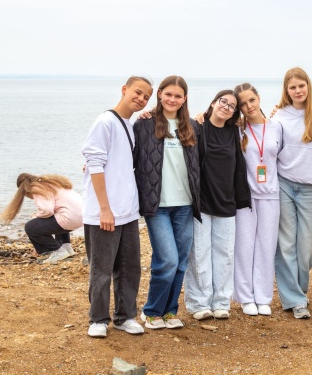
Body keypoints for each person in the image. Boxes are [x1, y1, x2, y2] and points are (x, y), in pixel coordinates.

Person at [82, 76, 153, 338]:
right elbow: (94, 162)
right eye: (137, 92)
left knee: (129, 267)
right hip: (105, 211)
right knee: (101, 269)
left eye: (146, 97)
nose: (141, 99)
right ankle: (98, 319)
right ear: (124, 89)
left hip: (127, 210)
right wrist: (104, 208)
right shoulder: (105, 121)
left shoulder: (129, 125)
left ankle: (124, 317)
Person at [133, 75, 200, 330]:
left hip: (185, 204)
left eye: (178, 96)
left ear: (185, 99)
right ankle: (151, 312)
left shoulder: (192, 126)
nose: (172, 99)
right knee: (167, 260)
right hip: (157, 205)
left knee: (180, 262)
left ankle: (170, 311)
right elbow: (129, 158)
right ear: (160, 94)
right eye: (168, 94)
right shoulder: (144, 124)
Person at [184, 90, 251, 320]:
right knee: (199, 254)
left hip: (226, 202)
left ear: (234, 113)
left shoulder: (234, 132)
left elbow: (260, 121)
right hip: (201, 202)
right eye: (223, 102)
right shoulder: (197, 127)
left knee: (225, 255)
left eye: (232, 106)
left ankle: (221, 302)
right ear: (213, 103)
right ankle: (199, 303)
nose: (226, 107)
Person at [271, 67, 312, 319]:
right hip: (284, 183)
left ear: (308, 86)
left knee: (307, 249)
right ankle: (295, 300)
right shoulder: (279, 116)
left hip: (311, 187)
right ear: (286, 90)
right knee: (286, 244)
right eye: (293, 87)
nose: (298, 91)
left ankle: (300, 291)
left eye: (301, 86)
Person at [232, 83, 283, 316]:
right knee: (244, 246)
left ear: (259, 98)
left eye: (251, 100)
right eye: (243, 104)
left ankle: (263, 297)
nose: (249, 106)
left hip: (271, 195)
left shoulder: (277, 127)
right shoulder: (237, 129)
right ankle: (245, 297)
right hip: (246, 197)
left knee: (266, 246)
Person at [0, 173, 82, 264]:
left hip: (69, 218)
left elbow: (47, 210)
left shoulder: (37, 188)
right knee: (57, 216)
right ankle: (66, 248)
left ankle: (58, 251)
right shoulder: (51, 183)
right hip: (81, 217)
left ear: (24, 189)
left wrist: (36, 216)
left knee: (30, 227)